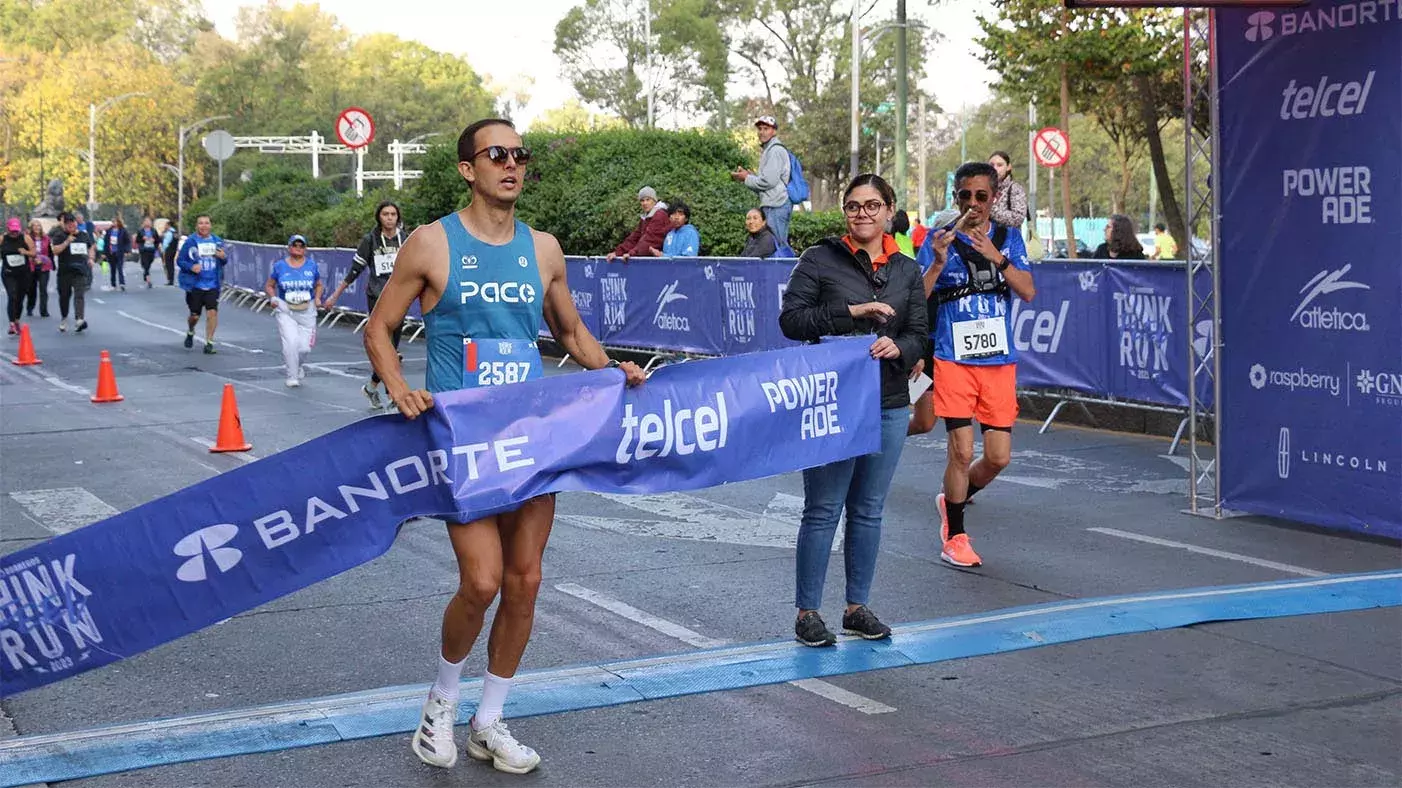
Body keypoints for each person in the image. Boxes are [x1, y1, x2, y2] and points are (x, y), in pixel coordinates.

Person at [363, 118, 646, 774]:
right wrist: (400, 387)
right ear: (468, 168)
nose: (511, 165)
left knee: (525, 583)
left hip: (532, 442)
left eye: (519, 155)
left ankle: (489, 721)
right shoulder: (432, 243)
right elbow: (380, 328)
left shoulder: (542, 248)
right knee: (482, 581)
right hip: (464, 444)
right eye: (496, 155)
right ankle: (441, 700)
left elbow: (570, 331)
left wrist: (613, 373)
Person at [778, 174, 929, 647]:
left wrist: (897, 346)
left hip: (887, 402)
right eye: (852, 206)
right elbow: (792, 320)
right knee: (823, 509)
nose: (861, 213)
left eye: (871, 205)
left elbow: (921, 334)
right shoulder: (820, 259)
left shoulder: (906, 270)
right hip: (832, 403)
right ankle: (808, 613)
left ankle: (856, 607)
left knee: (868, 511)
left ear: (889, 211)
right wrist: (854, 313)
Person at [916, 161, 1036, 568]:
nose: (973, 203)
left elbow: (1028, 291)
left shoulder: (1009, 237)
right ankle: (955, 534)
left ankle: (953, 499)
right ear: (955, 197)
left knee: (999, 457)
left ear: (994, 198)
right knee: (961, 452)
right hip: (953, 358)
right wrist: (935, 261)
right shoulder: (939, 239)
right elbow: (915, 299)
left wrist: (997, 257)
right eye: (965, 195)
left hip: (999, 362)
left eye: (981, 196)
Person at [324, 201, 409, 408]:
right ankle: (392, 396)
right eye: (385, 214)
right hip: (377, 297)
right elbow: (355, 269)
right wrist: (336, 294)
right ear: (378, 217)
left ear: (398, 217)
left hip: (400, 296)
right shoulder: (370, 240)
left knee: (392, 348)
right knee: (387, 348)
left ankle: (371, 388)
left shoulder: (406, 240)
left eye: (393, 214)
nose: (389, 218)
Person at [264, 235, 323, 387]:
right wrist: (273, 298)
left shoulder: (311, 266)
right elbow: (270, 285)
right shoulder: (280, 266)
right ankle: (292, 375)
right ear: (289, 248)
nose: (298, 248)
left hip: (307, 311)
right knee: (291, 343)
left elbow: (318, 285)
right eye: (295, 245)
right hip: (286, 310)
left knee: (304, 348)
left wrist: (317, 298)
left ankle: (297, 365)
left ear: (305, 249)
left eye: (301, 246)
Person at [732, 115, 792, 245]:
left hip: (777, 205)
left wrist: (746, 178)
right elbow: (766, 181)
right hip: (773, 204)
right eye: (760, 129)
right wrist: (748, 176)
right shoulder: (769, 150)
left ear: (774, 131)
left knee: (778, 246)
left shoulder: (775, 150)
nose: (762, 132)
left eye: (766, 128)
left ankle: (789, 266)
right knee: (772, 245)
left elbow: (768, 182)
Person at [176, 215, 227, 354]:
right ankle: (191, 330)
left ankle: (209, 343)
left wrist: (223, 257)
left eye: (206, 223)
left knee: (212, 312)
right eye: (201, 223)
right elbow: (180, 261)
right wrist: (191, 267)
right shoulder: (191, 242)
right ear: (197, 226)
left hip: (212, 284)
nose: (204, 226)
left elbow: (224, 260)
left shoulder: (217, 241)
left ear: (210, 225)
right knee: (195, 315)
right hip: (195, 284)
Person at [48, 212, 95, 333]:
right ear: (64, 225)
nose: (71, 226)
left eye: (72, 223)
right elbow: (55, 251)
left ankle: (79, 319)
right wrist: (67, 242)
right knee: (64, 296)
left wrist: (91, 258)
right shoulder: (60, 236)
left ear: (76, 223)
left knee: (79, 295)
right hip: (65, 271)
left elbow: (91, 247)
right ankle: (64, 318)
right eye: (67, 224)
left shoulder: (84, 235)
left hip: (80, 270)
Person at [605, 187, 670, 263]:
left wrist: (632, 253)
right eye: (642, 200)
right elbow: (634, 238)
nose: (645, 203)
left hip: (659, 262)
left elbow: (649, 240)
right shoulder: (646, 218)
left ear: (654, 201)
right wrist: (617, 252)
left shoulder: (660, 215)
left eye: (648, 200)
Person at [2, 218, 36, 335]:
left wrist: (26, 252)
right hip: (8, 273)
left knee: (20, 298)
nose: (14, 233)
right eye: (12, 231)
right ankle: (11, 324)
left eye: (16, 231)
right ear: (8, 229)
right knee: (12, 295)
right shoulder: (2, 239)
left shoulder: (25, 238)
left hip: (23, 273)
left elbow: (34, 252)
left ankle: (17, 320)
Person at [988, 151, 1027, 231]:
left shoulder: (1015, 189)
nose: (995, 168)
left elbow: (1018, 218)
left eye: (999, 165)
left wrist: (989, 209)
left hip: (1007, 240)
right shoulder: (984, 188)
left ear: (1008, 167)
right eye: (992, 165)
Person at [25, 219, 53, 318]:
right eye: (35, 226)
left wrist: (45, 261)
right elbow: (24, 251)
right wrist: (32, 258)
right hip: (31, 266)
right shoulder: (27, 238)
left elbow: (50, 253)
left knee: (43, 289)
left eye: (39, 226)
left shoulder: (46, 238)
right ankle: (30, 308)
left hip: (44, 266)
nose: (37, 227)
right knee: (31, 289)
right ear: (31, 228)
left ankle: (43, 310)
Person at [103, 216, 130, 291]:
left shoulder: (123, 231)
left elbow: (127, 241)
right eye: (113, 221)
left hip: (120, 252)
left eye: (115, 221)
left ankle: (122, 283)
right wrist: (104, 252)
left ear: (118, 222)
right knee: (113, 269)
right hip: (111, 252)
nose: (114, 223)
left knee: (120, 268)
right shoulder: (109, 231)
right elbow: (106, 242)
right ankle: (113, 284)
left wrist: (127, 251)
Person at [135, 217, 159, 288]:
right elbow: (137, 240)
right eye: (146, 221)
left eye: (149, 221)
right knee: (146, 264)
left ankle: (145, 273)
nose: (148, 223)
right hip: (144, 249)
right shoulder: (140, 231)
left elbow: (158, 239)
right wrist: (143, 239)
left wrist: (154, 240)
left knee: (149, 262)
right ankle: (148, 280)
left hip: (151, 249)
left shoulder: (154, 230)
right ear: (144, 223)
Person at [160, 220, 179, 285]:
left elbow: (166, 243)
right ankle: (171, 279)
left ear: (168, 225)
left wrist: (163, 250)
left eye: (166, 225)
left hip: (168, 250)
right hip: (174, 250)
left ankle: (170, 280)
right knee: (171, 265)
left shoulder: (169, 233)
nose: (165, 226)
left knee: (168, 265)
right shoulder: (175, 232)